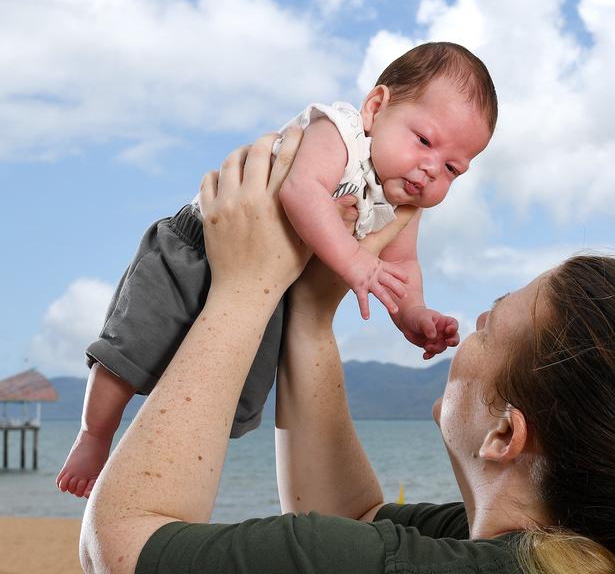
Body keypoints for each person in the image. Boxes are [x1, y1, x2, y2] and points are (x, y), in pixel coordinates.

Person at [80, 130, 615, 574]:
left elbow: (120, 547)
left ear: (505, 434)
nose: (470, 333)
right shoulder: (584, 548)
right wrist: (308, 314)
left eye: (492, 325)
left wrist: (243, 288)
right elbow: (359, 520)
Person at [58, 42, 498, 499]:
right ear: (375, 107)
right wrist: (354, 261)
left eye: (452, 168)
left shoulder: (399, 203)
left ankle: (159, 469)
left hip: (270, 288)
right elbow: (300, 191)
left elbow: (401, 264)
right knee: (130, 349)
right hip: (200, 247)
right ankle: (94, 435)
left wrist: (414, 313)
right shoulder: (339, 132)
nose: (431, 170)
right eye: (424, 141)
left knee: (229, 398)